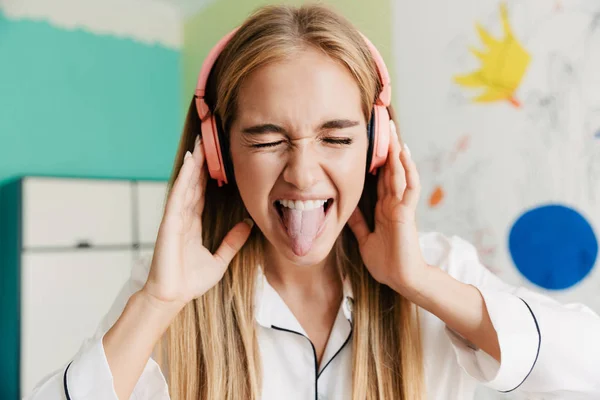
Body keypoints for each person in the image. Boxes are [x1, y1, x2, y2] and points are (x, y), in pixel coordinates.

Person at [26, 4, 600, 400]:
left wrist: (419, 281)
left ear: (376, 147)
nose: (302, 173)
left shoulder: (436, 272)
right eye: (267, 139)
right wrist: (156, 302)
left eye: (337, 137)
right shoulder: (167, 294)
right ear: (218, 155)